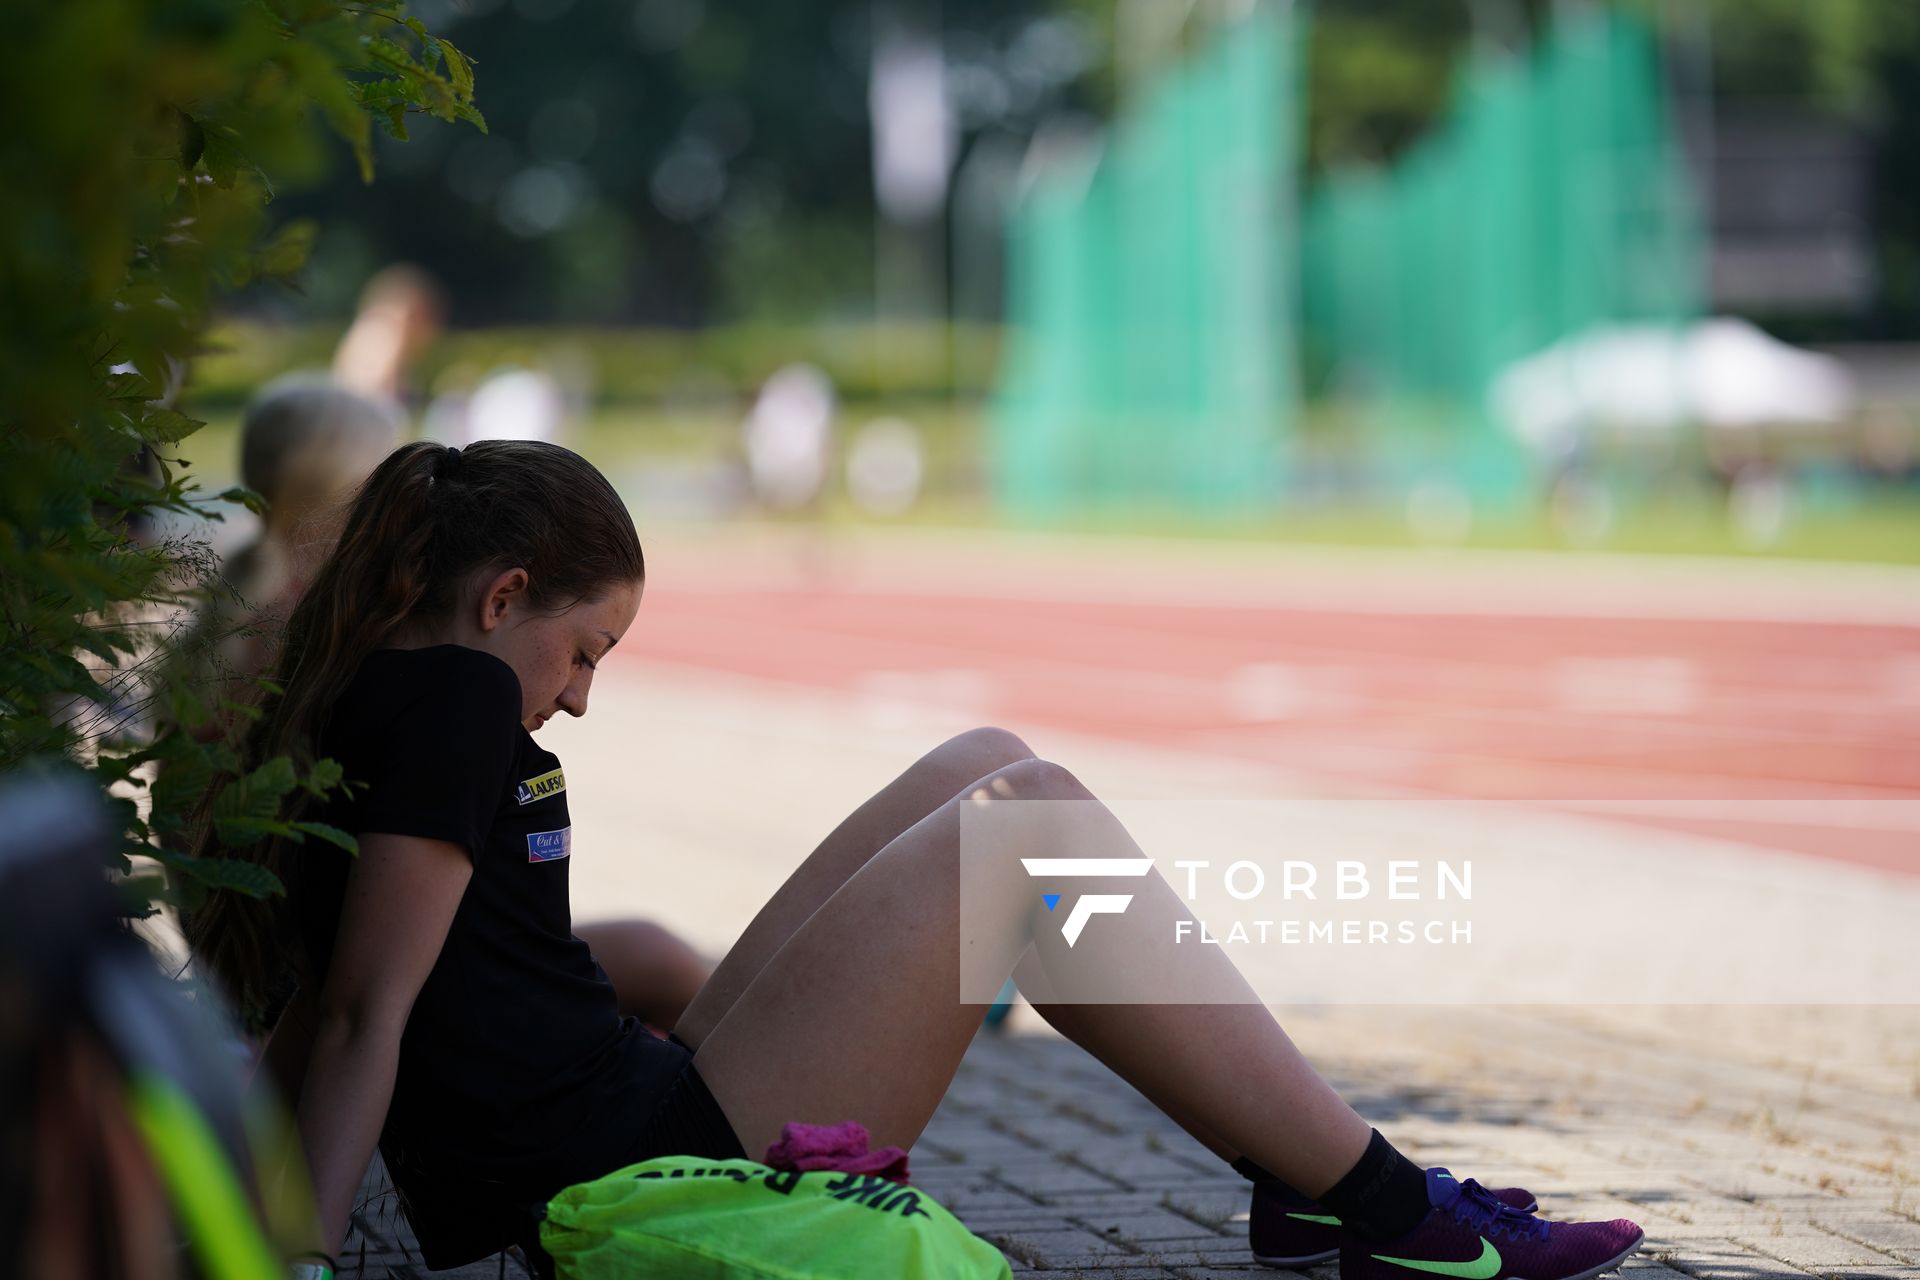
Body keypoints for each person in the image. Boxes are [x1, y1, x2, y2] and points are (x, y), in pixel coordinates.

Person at [187, 440, 1646, 1279]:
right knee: (1034, 830)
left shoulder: (394, 696)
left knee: (984, 762)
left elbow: (349, 986)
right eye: (584, 651)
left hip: (634, 1106)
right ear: (505, 595)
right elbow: (363, 1011)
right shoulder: (451, 706)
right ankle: (1385, 1211)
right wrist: (295, 1256)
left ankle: (1306, 1176)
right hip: (637, 1174)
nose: (579, 698)